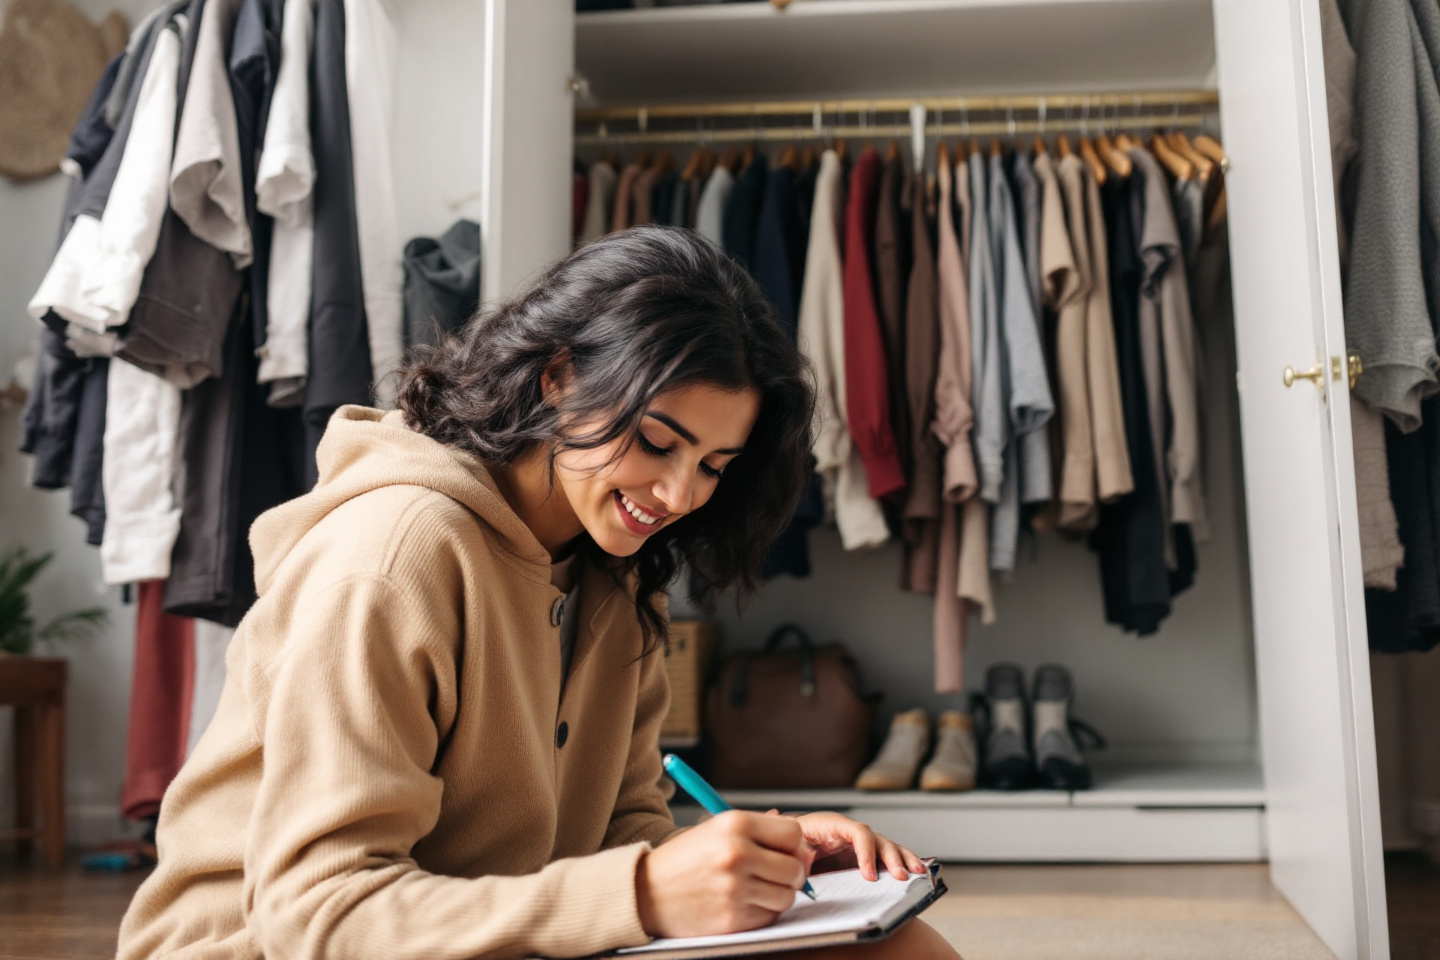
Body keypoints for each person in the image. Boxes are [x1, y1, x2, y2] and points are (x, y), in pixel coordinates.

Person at [116, 227, 960, 959]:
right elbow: (319, 918)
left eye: (711, 466)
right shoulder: (394, 558)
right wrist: (645, 891)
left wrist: (748, 860)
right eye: (657, 441)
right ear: (559, 376)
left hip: (474, 938)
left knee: (892, 947)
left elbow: (618, 835)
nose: (677, 496)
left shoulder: (617, 573)